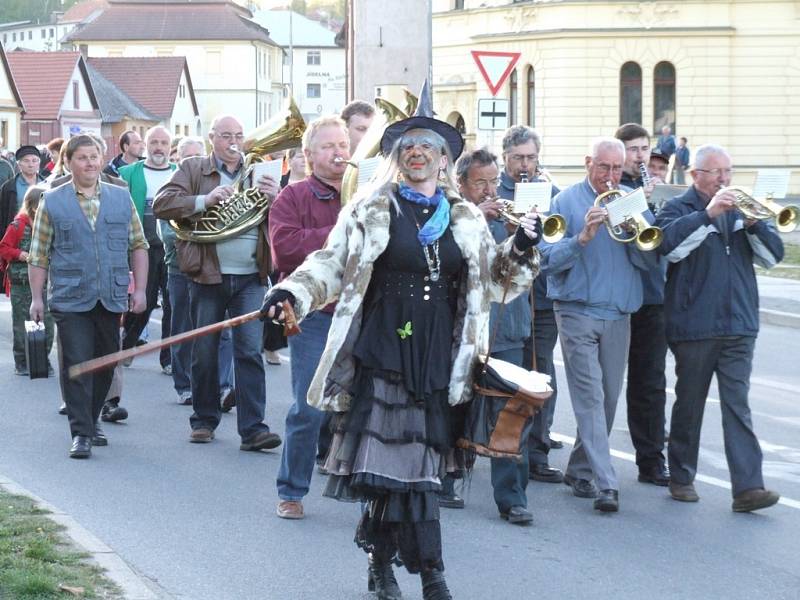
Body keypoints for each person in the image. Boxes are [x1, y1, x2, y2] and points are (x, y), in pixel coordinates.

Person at [261, 101, 541, 600]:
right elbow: (329, 263)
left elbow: (498, 284)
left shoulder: (466, 217)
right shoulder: (371, 208)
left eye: (427, 147)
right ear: (396, 156)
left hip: (441, 355)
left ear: (442, 161)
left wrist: (520, 247)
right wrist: (291, 293)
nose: (417, 153)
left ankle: (385, 565)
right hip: (386, 349)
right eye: (407, 145)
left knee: (421, 470)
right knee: (395, 470)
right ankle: (426, 573)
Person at [656, 144, 783, 512]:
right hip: (694, 324)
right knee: (690, 404)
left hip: (739, 324)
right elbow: (668, 248)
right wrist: (709, 214)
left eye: (728, 172)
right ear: (696, 175)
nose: (724, 180)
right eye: (716, 173)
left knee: (737, 406)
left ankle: (748, 488)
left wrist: (756, 223)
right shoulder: (679, 208)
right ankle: (681, 477)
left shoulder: (744, 210)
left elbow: (773, 257)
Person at [538, 137, 655, 513]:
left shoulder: (630, 199)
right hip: (576, 310)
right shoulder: (564, 202)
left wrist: (634, 233)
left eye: (617, 168)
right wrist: (582, 238)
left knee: (606, 400)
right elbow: (546, 258)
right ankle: (607, 483)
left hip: (619, 313)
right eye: (603, 167)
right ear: (588, 162)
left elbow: (652, 259)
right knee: (589, 399)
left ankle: (580, 469)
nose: (610, 176)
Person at [153, 114, 281, 451]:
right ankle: (204, 419)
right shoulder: (194, 169)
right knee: (206, 349)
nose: (234, 142)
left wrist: (276, 198)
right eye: (226, 135)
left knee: (250, 351)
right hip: (208, 274)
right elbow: (162, 204)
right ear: (212, 138)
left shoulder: (259, 169)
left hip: (252, 276)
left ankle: (253, 429)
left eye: (238, 135)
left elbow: (280, 218)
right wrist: (204, 202)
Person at [28, 134, 148, 459]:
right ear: (68, 163)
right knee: (77, 363)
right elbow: (38, 255)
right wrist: (37, 299)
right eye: (82, 157)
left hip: (110, 296)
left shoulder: (121, 198)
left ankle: (92, 418)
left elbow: (139, 244)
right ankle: (81, 433)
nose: (90, 163)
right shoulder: (52, 201)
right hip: (70, 297)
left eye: (94, 156)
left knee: (106, 363)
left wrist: (139, 290)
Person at [270, 115, 350, 520]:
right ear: (308, 155)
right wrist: (342, 230)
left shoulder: (366, 193)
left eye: (344, 145)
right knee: (308, 405)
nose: (339, 153)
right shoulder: (293, 197)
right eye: (328, 146)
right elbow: (284, 252)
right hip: (312, 314)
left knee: (365, 404)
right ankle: (291, 489)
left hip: (358, 310)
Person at [497, 125, 565, 486]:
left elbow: (560, 232)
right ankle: (505, 448)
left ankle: (537, 452)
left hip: (542, 296)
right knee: (509, 378)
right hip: (508, 298)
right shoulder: (496, 190)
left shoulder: (549, 191)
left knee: (542, 377)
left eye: (531, 158)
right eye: (519, 158)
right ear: (506, 156)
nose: (526, 165)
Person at [158, 137, 235, 407]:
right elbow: (168, 232)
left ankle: (224, 387)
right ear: (179, 160)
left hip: (214, 266)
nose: (193, 160)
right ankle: (185, 385)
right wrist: (201, 207)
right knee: (184, 328)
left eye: (197, 155)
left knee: (223, 330)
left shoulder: (220, 179)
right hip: (181, 265)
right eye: (187, 156)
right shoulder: (177, 183)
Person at [614, 123, 670, 487]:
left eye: (643, 149)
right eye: (632, 149)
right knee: (604, 383)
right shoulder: (613, 190)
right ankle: (590, 462)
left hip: (653, 296)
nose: (640, 156)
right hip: (619, 297)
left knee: (650, 381)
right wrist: (643, 203)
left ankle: (651, 460)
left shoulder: (659, 189)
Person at [118, 126, 176, 375]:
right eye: (154, 142)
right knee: (144, 300)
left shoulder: (181, 173)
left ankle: (169, 357)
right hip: (143, 248)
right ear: (146, 145)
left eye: (164, 142)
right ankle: (127, 346)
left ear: (170, 147)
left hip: (174, 248)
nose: (159, 147)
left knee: (174, 303)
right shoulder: (128, 173)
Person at [0, 186, 54, 376]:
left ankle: (43, 359)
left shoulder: (49, 225)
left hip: (45, 283)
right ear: (32, 205)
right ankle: (21, 361)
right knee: (21, 325)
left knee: (47, 323)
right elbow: (4, 248)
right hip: (21, 285)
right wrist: (20, 254)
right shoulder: (18, 225)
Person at [0, 145, 45, 235]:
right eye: (26, 161)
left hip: (42, 231)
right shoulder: (8, 187)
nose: (31, 164)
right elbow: (2, 215)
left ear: (39, 163)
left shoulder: (47, 184)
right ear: (18, 163)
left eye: (34, 160)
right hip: (16, 233)